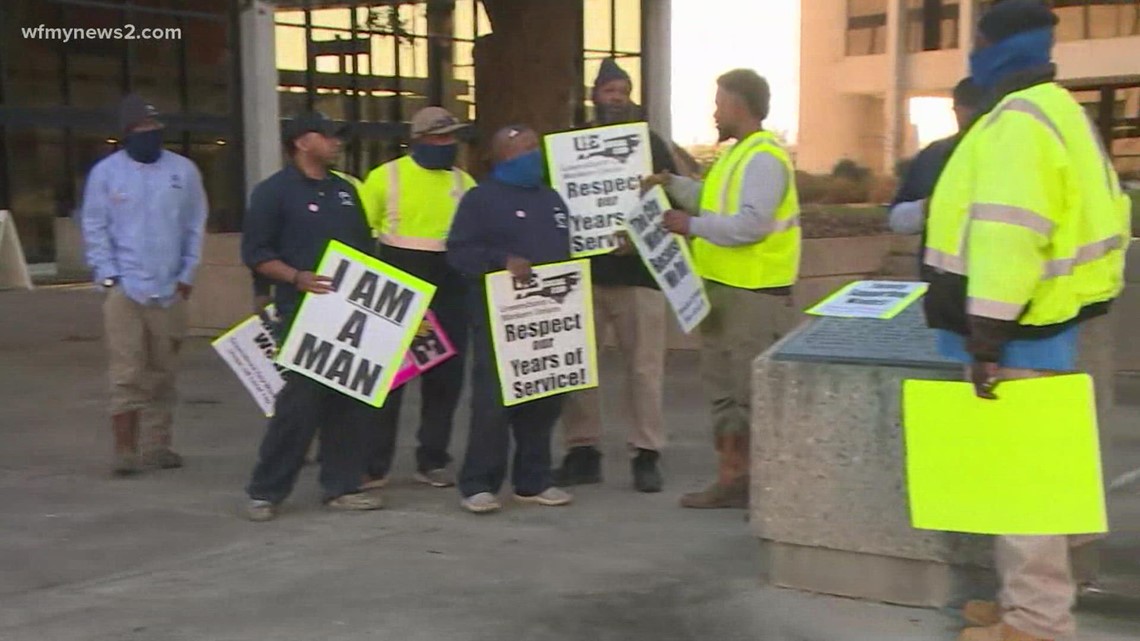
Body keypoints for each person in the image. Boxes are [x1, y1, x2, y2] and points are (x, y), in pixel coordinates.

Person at [920, 2, 1132, 640]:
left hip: (1018, 335)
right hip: (1049, 323)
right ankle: (1025, 603)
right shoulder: (1060, 111)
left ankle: (1036, 624)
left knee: (1024, 490)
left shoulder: (1016, 121)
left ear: (998, 47)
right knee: (1028, 479)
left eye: (977, 40)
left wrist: (986, 337)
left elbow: (1008, 238)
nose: (971, 53)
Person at [647, 69, 802, 510]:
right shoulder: (739, 157)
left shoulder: (764, 158)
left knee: (750, 397)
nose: (715, 111)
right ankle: (733, 480)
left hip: (753, 297)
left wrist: (689, 225)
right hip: (723, 294)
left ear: (738, 105)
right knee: (726, 395)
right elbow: (714, 201)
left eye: (719, 102)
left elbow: (751, 225)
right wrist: (673, 186)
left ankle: (764, 489)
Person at [240, 111, 384, 521]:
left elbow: (364, 251)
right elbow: (256, 254)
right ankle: (266, 491)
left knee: (350, 402)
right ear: (303, 142)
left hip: (347, 311)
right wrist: (296, 278)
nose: (337, 143)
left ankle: (342, 485)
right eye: (329, 136)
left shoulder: (344, 191)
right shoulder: (273, 192)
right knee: (299, 404)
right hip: (300, 310)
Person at [554, 58, 677, 494]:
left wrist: (639, 231)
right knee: (578, 366)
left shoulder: (652, 145)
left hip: (640, 275)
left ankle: (647, 453)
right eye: (610, 91)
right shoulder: (573, 145)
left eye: (623, 91)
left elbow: (674, 198)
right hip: (585, 273)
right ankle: (582, 450)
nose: (617, 98)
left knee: (644, 370)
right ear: (595, 96)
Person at [446, 125, 575, 514]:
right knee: (494, 400)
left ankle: (533, 479)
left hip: (550, 316)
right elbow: (459, 251)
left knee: (545, 396)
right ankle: (479, 483)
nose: (536, 155)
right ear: (505, 156)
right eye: (526, 149)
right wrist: (501, 262)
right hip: (500, 316)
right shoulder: (480, 199)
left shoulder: (550, 198)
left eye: (536, 147)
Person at [81, 94, 208, 476]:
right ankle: (125, 449)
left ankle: (158, 445)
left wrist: (187, 276)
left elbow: (194, 226)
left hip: (170, 289)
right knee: (127, 370)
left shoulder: (183, 172)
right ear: (125, 134)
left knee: (164, 369)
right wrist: (109, 276)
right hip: (125, 289)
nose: (149, 135)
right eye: (140, 129)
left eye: (154, 128)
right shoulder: (106, 174)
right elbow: (95, 226)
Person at [358, 107, 476, 490]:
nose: (447, 145)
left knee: (445, 380)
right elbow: (359, 233)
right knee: (388, 379)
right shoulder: (384, 177)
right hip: (397, 284)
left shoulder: (464, 182)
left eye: (451, 138)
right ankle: (375, 464)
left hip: (451, 287)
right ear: (418, 140)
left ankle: (433, 460)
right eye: (439, 138)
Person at [888, 77, 983, 236]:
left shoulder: (1014, 152)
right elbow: (897, 219)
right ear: (957, 111)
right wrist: (928, 206)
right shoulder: (935, 155)